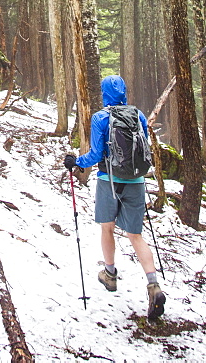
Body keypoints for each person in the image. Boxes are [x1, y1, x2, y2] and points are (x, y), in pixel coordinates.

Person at [63, 74, 166, 320]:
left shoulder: (100, 118)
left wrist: (75, 162)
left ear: (104, 93)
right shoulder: (138, 115)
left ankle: (109, 275)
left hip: (109, 181)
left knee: (107, 228)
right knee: (136, 235)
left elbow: (97, 154)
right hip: (137, 181)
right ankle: (153, 285)